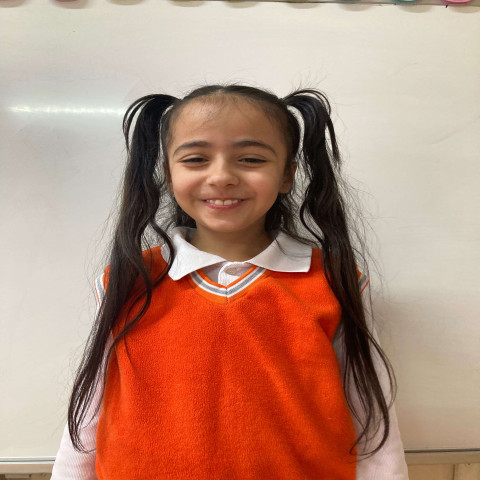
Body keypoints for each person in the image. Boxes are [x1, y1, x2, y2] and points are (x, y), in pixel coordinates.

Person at [51, 84, 409, 479]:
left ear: (287, 174)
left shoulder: (334, 283)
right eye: (196, 159)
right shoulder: (128, 280)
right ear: (168, 173)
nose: (221, 177)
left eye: (251, 158)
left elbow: (373, 420)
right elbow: (86, 417)